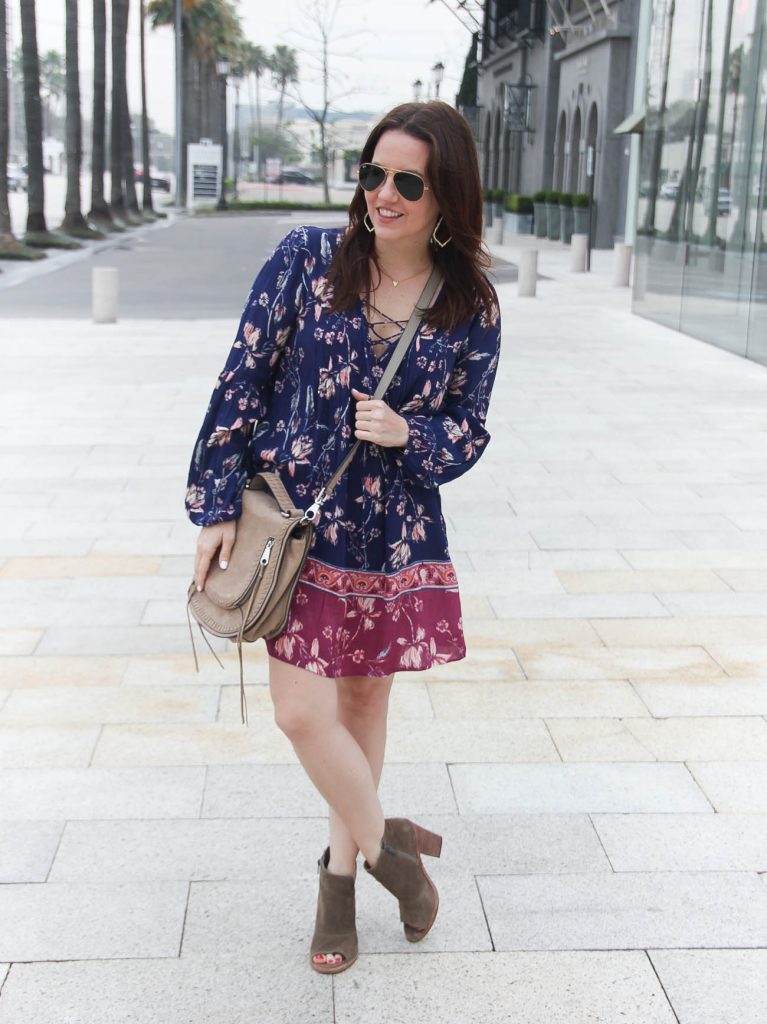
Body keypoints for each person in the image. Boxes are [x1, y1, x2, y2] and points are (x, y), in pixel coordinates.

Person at [185, 101, 501, 975]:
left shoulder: (469, 303)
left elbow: (470, 429)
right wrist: (214, 504)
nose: (383, 195)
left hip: (391, 534)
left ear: (446, 198)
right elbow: (240, 378)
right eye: (372, 174)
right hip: (293, 521)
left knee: (362, 707)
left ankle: (337, 878)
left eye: (408, 182)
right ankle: (393, 854)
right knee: (299, 712)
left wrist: (414, 436)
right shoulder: (303, 260)